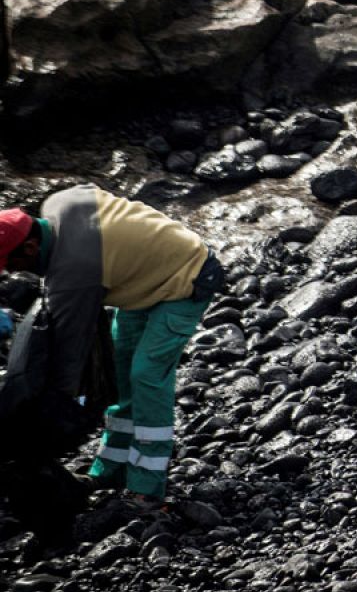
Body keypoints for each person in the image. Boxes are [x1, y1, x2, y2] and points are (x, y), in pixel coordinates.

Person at [0, 188, 226, 504]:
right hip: (142, 280)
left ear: (30, 246)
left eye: (12, 264)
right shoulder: (58, 202)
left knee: (146, 376)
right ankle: (111, 469)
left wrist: (53, 410)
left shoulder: (74, 270)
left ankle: (147, 486)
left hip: (187, 277)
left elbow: (69, 353)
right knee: (120, 375)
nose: (13, 272)